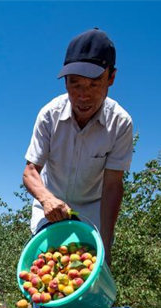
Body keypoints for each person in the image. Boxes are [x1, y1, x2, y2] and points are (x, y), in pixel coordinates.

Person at [23, 27, 133, 264]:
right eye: (75, 84)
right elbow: (30, 172)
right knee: (45, 269)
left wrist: (106, 245)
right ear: (65, 82)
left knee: (88, 272)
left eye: (94, 84)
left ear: (111, 78)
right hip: (49, 211)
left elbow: (112, 186)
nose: (83, 96)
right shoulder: (49, 115)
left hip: (92, 216)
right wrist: (46, 198)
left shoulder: (120, 123)